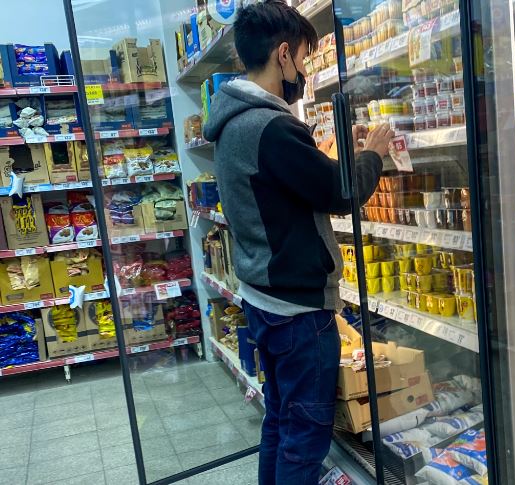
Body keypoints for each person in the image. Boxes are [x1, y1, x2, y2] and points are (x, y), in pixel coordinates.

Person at [202, 1, 394, 484]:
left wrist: (336, 154)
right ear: (283, 54)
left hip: (264, 298)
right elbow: (340, 193)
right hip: (297, 311)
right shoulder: (269, 126)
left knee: (281, 421)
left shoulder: (234, 120)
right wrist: (371, 155)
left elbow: (286, 188)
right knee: (305, 437)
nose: (304, 70)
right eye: (305, 58)